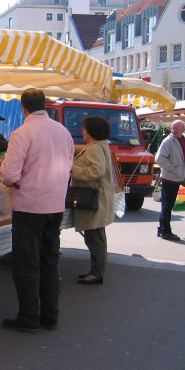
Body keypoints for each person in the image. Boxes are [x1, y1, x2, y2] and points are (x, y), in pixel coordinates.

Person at [0, 88, 74, 332]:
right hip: (55, 206)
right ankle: (50, 315)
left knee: (26, 263)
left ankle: (29, 316)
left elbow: (9, 174)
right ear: (45, 105)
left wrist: (12, 181)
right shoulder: (64, 133)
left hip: (29, 207)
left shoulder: (22, 133)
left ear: (24, 108)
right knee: (49, 262)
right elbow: (69, 167)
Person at [70, 116, 115, 285]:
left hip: (93, 198)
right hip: (100, 198)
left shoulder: (95, 148)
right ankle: (97, 271)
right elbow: (82, 150)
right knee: (97, 236)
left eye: (84, 128)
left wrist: (71, 168)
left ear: (91, 131)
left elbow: (95, 172)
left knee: (94, 237)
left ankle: (96, 273)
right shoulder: (98, 145)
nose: (82, 131)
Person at [155, 120, 185, 241]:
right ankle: (165, 231)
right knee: (167, 205)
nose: (174, 130)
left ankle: (162, 229)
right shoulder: (168, 141)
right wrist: (172, 169)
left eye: (177, 128)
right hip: (170, 177)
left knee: (168, 205)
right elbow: (159, 159)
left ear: (183, 130)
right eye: (173, 128)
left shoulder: (184, 139)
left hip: (179, 177)